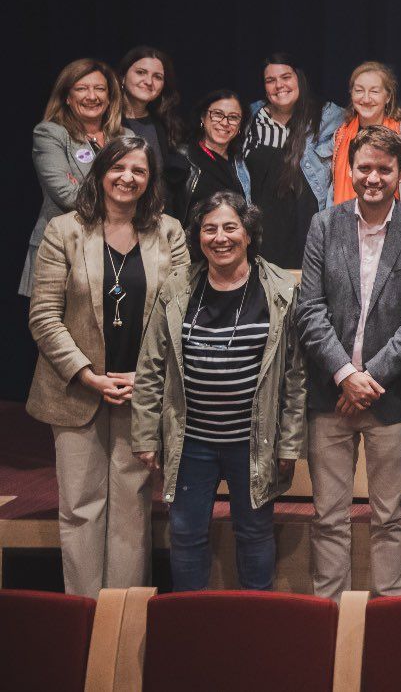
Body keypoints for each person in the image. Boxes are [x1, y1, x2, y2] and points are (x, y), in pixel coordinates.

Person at [26, 135, 187, 597]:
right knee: (81, 508)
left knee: (132, 509)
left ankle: (124, 621)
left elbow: (181, 315)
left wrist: (148, 377)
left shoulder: (169, 232)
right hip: (76, 390)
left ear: (150, 180)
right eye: (118, 168)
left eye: (139, 170)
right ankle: (84, 618)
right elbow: (43, 316)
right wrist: (87, 375)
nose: (127, 177)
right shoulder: (64, 230)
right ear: (100, 173)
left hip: (141, 392)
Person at [131, 192, 304, 592]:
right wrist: (144, 435)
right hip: (191, 440)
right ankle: (190, 620)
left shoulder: (280, 289)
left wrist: (290, 444)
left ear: (248, 234)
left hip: (253, 441)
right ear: (198, 236)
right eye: (209, 229)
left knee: (255, 534)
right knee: (186, 534)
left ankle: (255, 618)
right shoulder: (177, 288)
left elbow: (296, 376)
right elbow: (151, 366)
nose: (220, 238)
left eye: (230, 227)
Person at [296, 125, 401, 597]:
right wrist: (345, 375)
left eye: (384, 169)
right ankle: (330, 617)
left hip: (390, 397)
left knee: (390, 518)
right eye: (364, 168)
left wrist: (368, 378)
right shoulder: (324, 225)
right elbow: (310, 308)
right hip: (330, 395)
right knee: (328, 518)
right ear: (351, 169)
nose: (373, 177)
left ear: (400, 172)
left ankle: (386, 619)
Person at [23, 59, 124, 297]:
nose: (92, 96)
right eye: (81, 88)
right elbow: (67, 195)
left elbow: (142, 189)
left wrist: (83, 185)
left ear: (110, 97)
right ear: (67, 97)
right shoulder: (50, 133)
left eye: (99, 89)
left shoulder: (125, 137)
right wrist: (121, 197)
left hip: (116, 250)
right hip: (61, 252)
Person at [242, 55, 343, 268]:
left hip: (307, 233)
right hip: (262, 233)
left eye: (286, 77)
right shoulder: (250, 117)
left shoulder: (327, 116)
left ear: (299, 79)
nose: (279, 85)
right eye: (270, 80)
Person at [118, 46, 188, 210]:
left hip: (157, 216)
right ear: (122, 77)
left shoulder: (166, 123)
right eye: (141, 72)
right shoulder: (105, 121)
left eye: (157, 77)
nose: (149, 82)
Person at [331, 61, 401, 206]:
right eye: (359, 91)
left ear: (388, 97)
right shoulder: (339, 136)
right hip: (344, 218)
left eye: (374, 91)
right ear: (351, 93)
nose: (366, 99)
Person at [174, 90, 251, 221]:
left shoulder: (241, 166)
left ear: (240, 125)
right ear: (203, 117)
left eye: (233, 117)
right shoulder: (182, 157)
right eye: (217, 114)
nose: (225, 122)